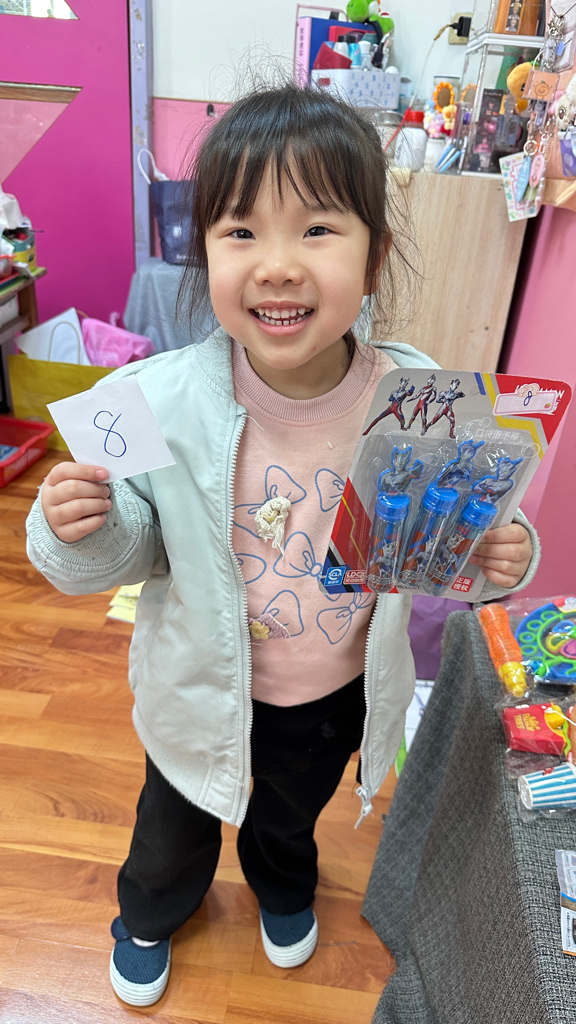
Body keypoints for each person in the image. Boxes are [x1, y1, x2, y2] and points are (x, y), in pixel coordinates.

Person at [26, 83, 539, 1008]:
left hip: (333, 691)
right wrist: (83, 527)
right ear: (204, 251)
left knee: (290, 817)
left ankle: (282, 884)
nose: (277, 266)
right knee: (171, 823)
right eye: (241, 231)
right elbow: (128, 548)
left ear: (374, 257)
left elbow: (449, 530)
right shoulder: (154, 398)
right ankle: (148, 912)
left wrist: (500, 553)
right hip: (196, 683)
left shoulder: (417, 396)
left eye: (317, 229)